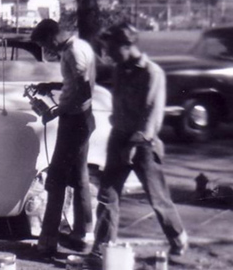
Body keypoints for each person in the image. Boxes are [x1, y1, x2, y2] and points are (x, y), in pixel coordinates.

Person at [89, 22, 188, 263]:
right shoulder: (120, 69)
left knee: (157, 197)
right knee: (107, 195)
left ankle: (178, 238)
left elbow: (152, 115)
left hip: (143, 144)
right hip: (118, 138)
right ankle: (102, 248)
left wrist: (133, 145)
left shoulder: (152, 73)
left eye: (112, 48)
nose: (108, 54)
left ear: (127, 45)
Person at [30, 19, 97, 256]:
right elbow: (75, 83)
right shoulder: (80, 47)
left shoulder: (73, 52)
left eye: (45, 44)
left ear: (51, 37)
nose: (47, 50)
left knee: (56, 179)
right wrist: (52, 86)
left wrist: (57, 110)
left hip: (75, 121)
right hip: (81, 118)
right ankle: (83, 234)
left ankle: (48, 239)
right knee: (79, 178)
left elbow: (84, 88)